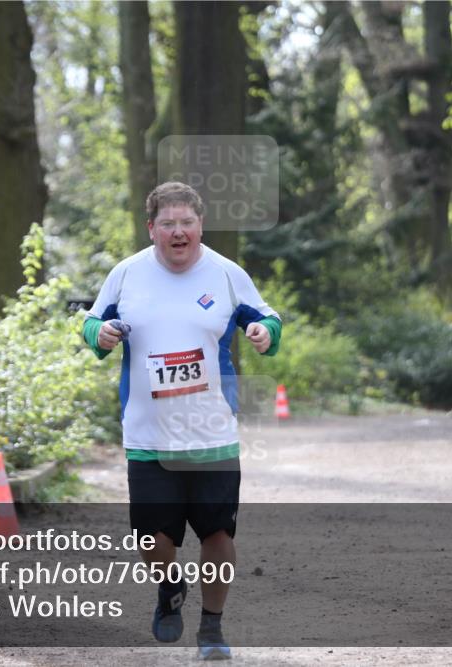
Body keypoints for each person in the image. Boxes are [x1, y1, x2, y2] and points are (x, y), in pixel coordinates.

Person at [82, 181, 282, 660]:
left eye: (186, 223)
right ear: (151, 229)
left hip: (211, 432)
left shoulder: (227, 274)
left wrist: (261, 332)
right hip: (148, 435)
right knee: (153, 538)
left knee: (217, 534)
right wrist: (101, 334)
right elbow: (91, 325)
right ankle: (170, 585)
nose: (178, 232)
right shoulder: (127, 275)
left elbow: (270, 322)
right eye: (167, 224)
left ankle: (212, 629)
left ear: (200, 226)